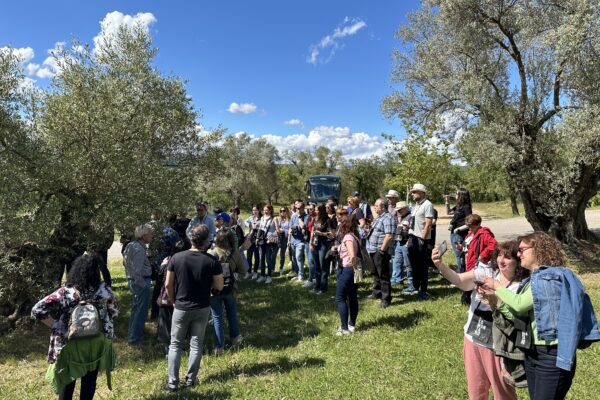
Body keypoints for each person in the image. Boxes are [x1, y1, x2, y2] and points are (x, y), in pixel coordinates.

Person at [481, 232, 600, 400]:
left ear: (537, 250)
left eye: (522, 250)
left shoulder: (549, 278)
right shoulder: (532, 281)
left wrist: (497, 286)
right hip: (534, 352)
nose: (518, 254)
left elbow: (519, 303)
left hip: (551, 356)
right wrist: (497, 303)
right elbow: (520, 314)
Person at [432, 241, 526, 400]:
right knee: (476, 390)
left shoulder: (520, 288)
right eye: (500, 255)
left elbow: (519, 321)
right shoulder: (486, 273)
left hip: (498, 348)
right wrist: (440, 265)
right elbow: (460, 280)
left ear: (518, 262)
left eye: (508, 258)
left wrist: (493, 301)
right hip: (473, 340)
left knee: (503, 393)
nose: (501, 261)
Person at [31, 254, 118, 400]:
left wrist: (58, 325)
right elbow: (114, 311)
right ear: (96, 272)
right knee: (90, 381)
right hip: (96, 342)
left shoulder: (65, 292)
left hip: (70, 342)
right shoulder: (104, 290)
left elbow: (37, 309)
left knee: (67, 380)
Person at [164, 225, 224, 392]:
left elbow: (168, 284)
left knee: (175, 344)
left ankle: (172, 382)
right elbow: (219, 285)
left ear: (191, 239)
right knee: (196, 344)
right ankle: (191, 380)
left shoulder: (177, 257)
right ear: (206, 241)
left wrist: (173, 300)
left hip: (181, 306)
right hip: (202, 306)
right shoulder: (212, 261)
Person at [208, 229, 246, 355]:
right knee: (232, 314)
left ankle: (219, 347)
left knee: (217, 317)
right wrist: (234, 279)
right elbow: (243, 271)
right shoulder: (235, 253)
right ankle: (236, 339)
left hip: (214, 290)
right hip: (230, 289)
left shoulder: (211, 253)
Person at [123, 223, 154, 345]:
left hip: (133, 280)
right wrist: (143, 285)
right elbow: (137, 271)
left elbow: (125, 263)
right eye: (151, 233)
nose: (152, 236)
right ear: (144, 235)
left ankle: (132, 334)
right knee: (141, 311)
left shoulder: (131, 245)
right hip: (140, 281)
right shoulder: (139, 249)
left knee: (136, 309)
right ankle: (135, 338)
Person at [366, 198, 396, 308]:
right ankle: (377, 292)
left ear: (382, 207)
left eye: (376, 205)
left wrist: (382, 250)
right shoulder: (379, 218)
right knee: (375, 273)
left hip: (380, 251)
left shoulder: (388, 218)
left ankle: (386, 298)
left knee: (383, 275)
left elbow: (389, 236)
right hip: (373, 250)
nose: (374, 207)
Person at [406, 183, 434, 300]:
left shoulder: (428, 205)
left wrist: (422, 238)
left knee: (422, 266)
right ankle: (415, 287)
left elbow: (428, 224)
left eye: (415, 191)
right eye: (412, 192)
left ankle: (423, 291)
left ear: (422, 193)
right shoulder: (416, 205)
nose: (412, 194)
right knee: (414, 264)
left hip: (421, 239)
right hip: (413, 237)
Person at [335, 215, 361, 336]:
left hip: (348, 269)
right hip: (354, 270)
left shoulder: (348, 237)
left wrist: (353, 269)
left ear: (345, 225)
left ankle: (344, 328)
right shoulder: (355, 236)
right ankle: (352, 325)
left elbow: (352, 256)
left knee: (341, 298)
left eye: (341, 223)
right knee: (352, 297)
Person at [309, 203, 337, 294]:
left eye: (317, 210)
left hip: (323, 245)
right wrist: (311, 243)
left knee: (323, 267)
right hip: (315, 244)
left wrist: (322, 234)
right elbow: (312, 231)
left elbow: (333, 234)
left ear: (321, 210)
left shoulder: (327, 220)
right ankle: (317, 286)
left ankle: (323, 288)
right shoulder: (315, 219)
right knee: (317, 266)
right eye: (315, 210)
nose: (315, 211)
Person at [446, 188, 473, 272]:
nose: (455, 195)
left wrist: (458, 229)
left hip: (459, 234)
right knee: (458, 255)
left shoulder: (466, 207)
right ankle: (461, 273)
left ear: (461, 196)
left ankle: (461, 275)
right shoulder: (459, 206)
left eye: (457, 194)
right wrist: (447, 201)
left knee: (460, 255)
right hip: (454, 233)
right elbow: (448, 212)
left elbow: (470, 222)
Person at [391, 201, 413, 288]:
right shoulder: (401, 217)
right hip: (399, 242)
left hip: (406, 242)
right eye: (398, 210)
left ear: (405, 208)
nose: (398, 212)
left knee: (408, 264)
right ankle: (398, 280)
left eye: (400, 210)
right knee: (397, 261)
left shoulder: (410, 217)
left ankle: (411, 282)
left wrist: (408, 241)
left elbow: (412, 231)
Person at [256, 203, 278, 283]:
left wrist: (272, 237)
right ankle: (262, 275)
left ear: (270, 210)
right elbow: (260, 228)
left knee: (268, 259)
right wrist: (257, 238)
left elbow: (277, 230)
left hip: (269, 241)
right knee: (262, 258)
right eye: (264, 210)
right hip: (262, 240)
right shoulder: (262, 218)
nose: (265, 211)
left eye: (267, 210)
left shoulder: (274, 219)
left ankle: (269, 276)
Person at [288, 200, 310, 282]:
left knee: (299, 258)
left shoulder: (306, 216)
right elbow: (290, 226)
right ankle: (297, 274)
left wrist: (300, 217)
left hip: (301, 241)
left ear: (303, 208)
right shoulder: (293, 216)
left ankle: (301, 274)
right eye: (296, 208)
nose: (297, 210)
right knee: (294, 259)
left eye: (299, 208)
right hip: (293, 240)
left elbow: (303, 226)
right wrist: (289, 237)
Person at [245, 204, 262, 279]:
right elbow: (245, 221)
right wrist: (250, 224)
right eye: (253, 210)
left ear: (258, 211)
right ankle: (249, 272)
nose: (254, 211)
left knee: (257, 257)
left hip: (257, 240)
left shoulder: (261, 219)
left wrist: (258, 226)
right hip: (250, 240)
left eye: (256, 210)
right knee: (249, 256)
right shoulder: (251, 218)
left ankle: (255, 272)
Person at [275, 206, 291, 275]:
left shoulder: (289, 220)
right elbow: (276, 228)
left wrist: (283, 230)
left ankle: (281, 268)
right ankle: (272, 268)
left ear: (287, 211)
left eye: (284, 211)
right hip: (279, 238)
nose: (282, 212)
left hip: (285, 239)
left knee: (282, 254)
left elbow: (290, 230)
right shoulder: (279, 219)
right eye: (281, 211)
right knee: (274, 253)